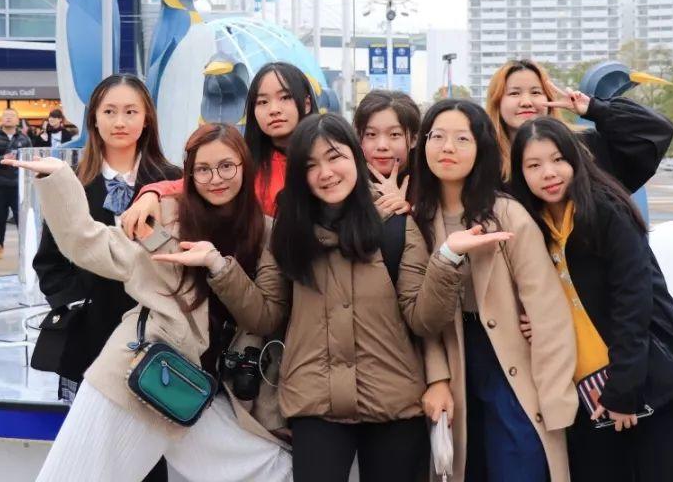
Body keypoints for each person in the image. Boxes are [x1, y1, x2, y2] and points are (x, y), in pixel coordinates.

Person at [5, 123, 292, 482]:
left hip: (202, 392)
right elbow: (92, 243)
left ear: (244, 167)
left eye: (226, 166)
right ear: (189, 175)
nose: (216, 178)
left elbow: (265, 316)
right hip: (140, 374)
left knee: (272, 469)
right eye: (203, 169)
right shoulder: (167, 217)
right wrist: (59, 179)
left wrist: (217, 265)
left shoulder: (266, 233)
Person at [160, 114, 429, 482]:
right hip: (315, 403)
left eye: (334, 157)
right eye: (310, 165)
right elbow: (264, 316)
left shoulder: (396, 225)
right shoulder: (288, 232)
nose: (326, 173)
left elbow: (424, 318)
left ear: (355, 156)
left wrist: (448, 261)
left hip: (394, 401)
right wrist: (218, 266)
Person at [508, 117, 673, 482]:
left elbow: (634, 304)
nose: (548, 173)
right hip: (584, 390)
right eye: (533, 165)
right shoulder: (534, 226)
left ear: (574, 159)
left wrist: (622, 390)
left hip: (639, 379)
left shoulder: (606, 210)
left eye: (557, 159)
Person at [397, 98, 578, 482]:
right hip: (457, 358)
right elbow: (420, 314)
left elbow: (547, 312)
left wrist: (556, 398)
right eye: (437, 137)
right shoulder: (417, 219)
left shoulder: (507, 214)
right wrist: (437, 377)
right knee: (468, 466)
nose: (447, 148)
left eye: (462, 139)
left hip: (511, 359)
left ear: (481, 147)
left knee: (520, 464)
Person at [33, 75, 182, 406]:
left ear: (147, 119)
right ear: (94, 120)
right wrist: (78, 302)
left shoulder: (172, 180)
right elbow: (49, 260)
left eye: (131, 112)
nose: (120, 122)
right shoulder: (72, 182)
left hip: (156, 334)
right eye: (109, 111)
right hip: (91, 334)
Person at [123, 62, 319, 237]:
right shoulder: (246, 161)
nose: (274, 109)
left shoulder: (326, 156)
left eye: (285, 97)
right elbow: (193, 183)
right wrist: (152, 194)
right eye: (263, 102)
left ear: (307, 103)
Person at [485, 59, 673, 191]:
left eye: (536, 92)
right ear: (497, 102)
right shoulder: (483, 160)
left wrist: (595, 108)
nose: (526, 102)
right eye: (514, 93)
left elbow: (657, 130)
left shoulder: (585, 148)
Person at [353, 89, 420, 217]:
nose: (382, 146)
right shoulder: (348, 182)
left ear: (413, 139)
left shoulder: (431, 184)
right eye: (371, 134)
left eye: (394, 134)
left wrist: (406, 211)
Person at [0, 108, 32, 259]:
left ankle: (24, 247)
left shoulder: (24, 138)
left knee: (20, 218)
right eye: (6, 116)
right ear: (1, 119)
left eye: (12, 116)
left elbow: (31, 159)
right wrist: (2, 159)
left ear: (17, 120)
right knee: (0, 217)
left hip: (19, 185)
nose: (8, 118)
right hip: (0, 184)